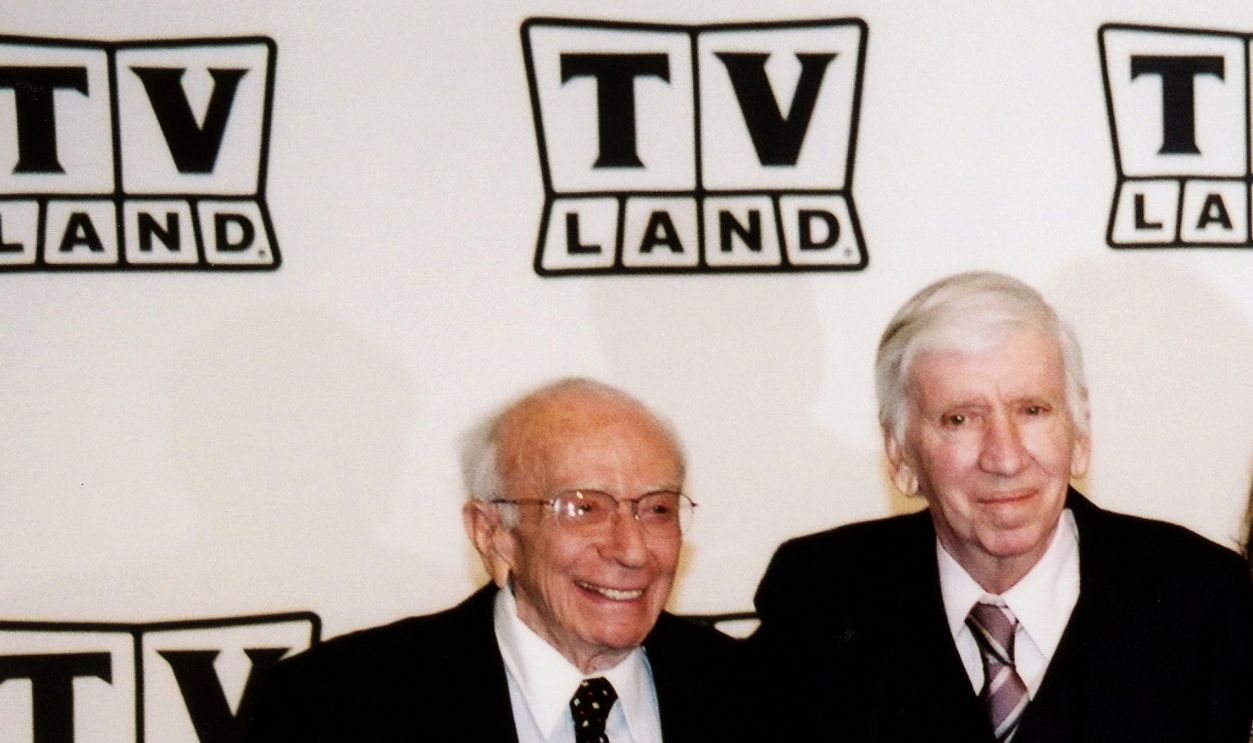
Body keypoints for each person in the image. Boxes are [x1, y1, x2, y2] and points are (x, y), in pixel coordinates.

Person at [751, 271, 1253, 742]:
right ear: (900, 455)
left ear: (1080, 435)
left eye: (1032, 411)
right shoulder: (818, 597)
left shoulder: (1204, 600)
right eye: (960, 419)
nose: (1005, 457)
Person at [244, 377, 751, 742]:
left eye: (657, 509)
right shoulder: (336, 705)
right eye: (582, 508)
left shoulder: (758, 693)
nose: (631, 549)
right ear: (492, 534)